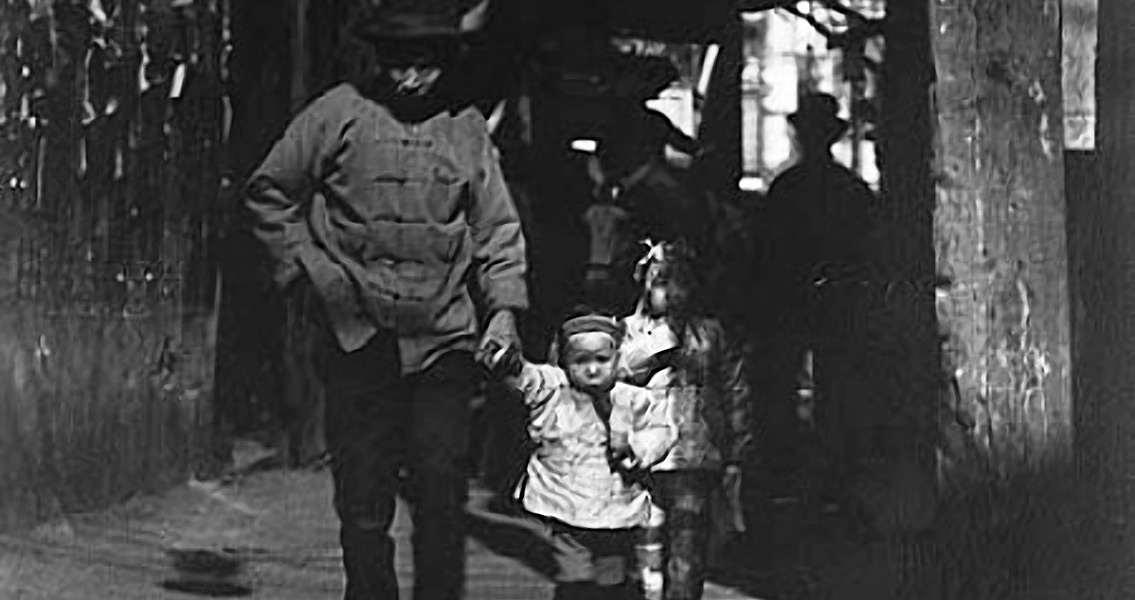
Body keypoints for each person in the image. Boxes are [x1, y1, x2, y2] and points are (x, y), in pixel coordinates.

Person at [242, 1, 529, 599]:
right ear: (380, 59)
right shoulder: (336, 114)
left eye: (425, 67)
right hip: (358, 338)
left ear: (445, 63)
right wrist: (317, 278)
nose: (410, 80)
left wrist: (501, 311)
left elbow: (496, 227)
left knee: (441, 486)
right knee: (364, 494)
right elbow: (270, 194)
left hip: (444, 339)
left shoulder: (467, 128)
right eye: (399, 64)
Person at [481, 312, 677, 600]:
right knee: (573, 574)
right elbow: (526, 377)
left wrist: (635, 448)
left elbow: (661, 430)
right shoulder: (554, 388)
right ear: (565, 361)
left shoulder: (633, 398)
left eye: (601, 360)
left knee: (612, 570)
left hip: (616, 502)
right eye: (581, 361)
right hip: (566, 500)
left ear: (616, 358)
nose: (592, 370)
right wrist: (507, 363)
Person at [757, 92, 880, 514]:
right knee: (836, 389)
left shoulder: (786, 188)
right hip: (835, 301)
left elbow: (767, 251)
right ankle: (831, 473)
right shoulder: (852, 190)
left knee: (784, 388)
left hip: (792, 300)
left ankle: (789, 469)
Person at [617, 240, 752, 600]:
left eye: (680, 282)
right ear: (644, 283)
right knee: (648, 546)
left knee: (688, 546)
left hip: (695, 455)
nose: (671, 292)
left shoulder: (711, 334)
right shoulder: (626, 332)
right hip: (642, 456)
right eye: (661, 281)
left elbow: (735, 390)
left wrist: (737, 450)